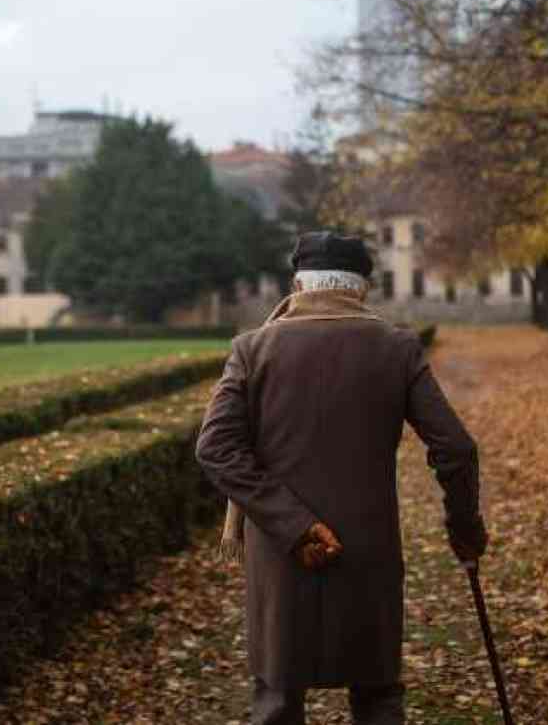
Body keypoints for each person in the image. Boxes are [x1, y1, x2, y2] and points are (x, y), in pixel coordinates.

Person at [195, 231, 487, 725]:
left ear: (297, 284)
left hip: (281, 553)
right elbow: (456, 448)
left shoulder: (253, 349)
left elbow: (216, 448)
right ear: (363, 288)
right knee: (376, 696)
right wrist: (464, 529)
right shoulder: (397, 348)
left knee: (278, 698)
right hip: (368, 552)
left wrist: (293, 525)